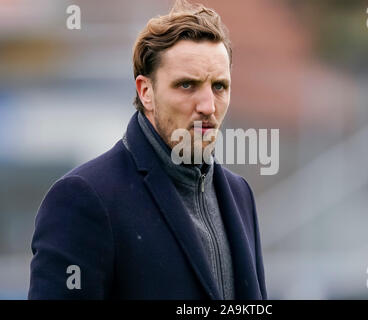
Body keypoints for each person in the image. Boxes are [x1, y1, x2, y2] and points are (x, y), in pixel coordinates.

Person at [28, 0, 267, 300]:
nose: (208, 106)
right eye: (187, 85)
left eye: (219, 86)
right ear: (146, 91)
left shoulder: (239, 193)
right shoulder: (83, 198)